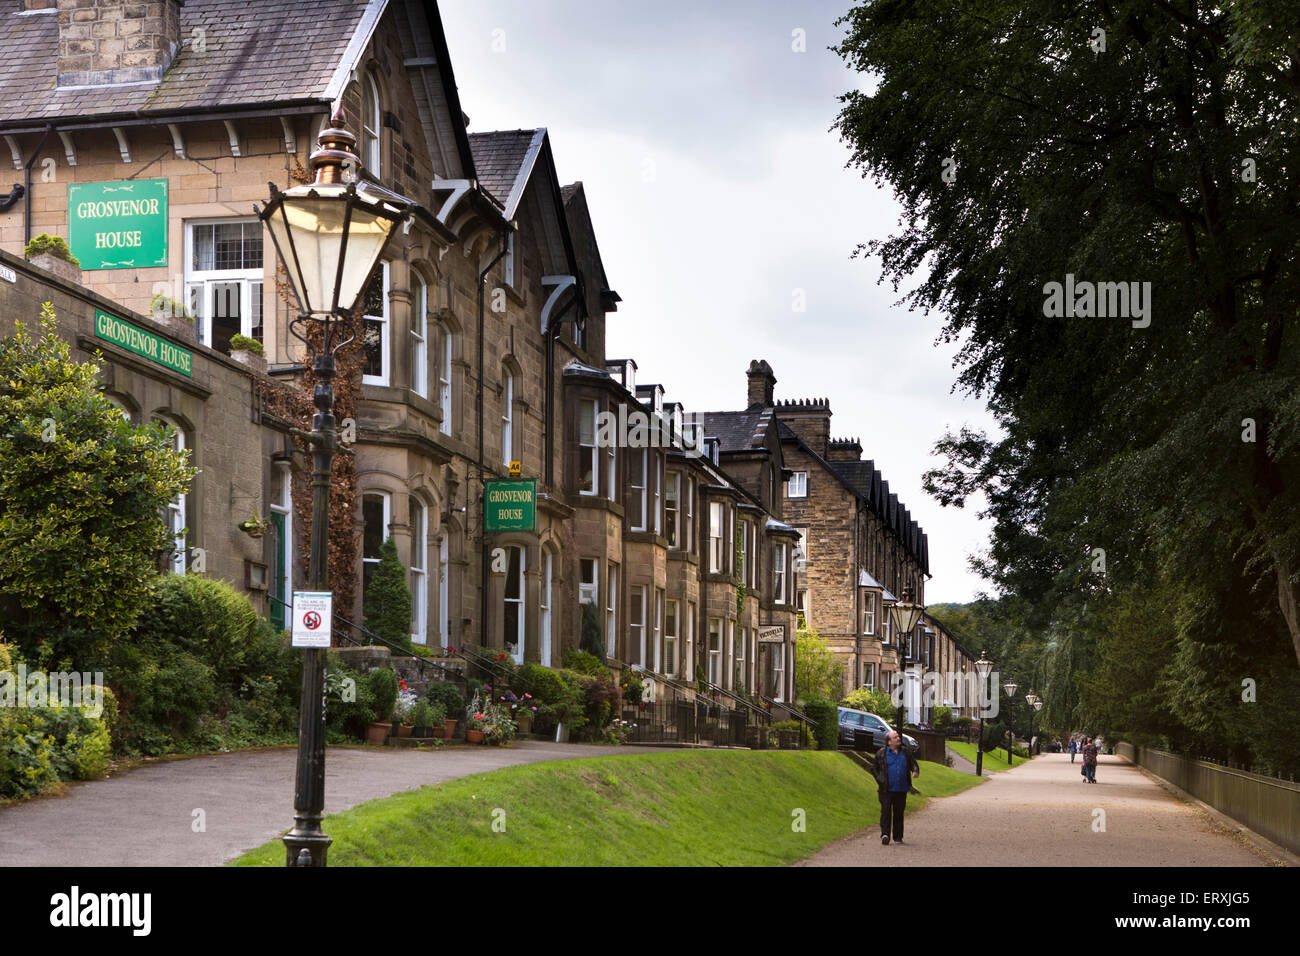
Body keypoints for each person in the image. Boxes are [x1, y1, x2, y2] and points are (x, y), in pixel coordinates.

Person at [874, 730, 920, 845]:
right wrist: (880, 779)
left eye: (898, 737)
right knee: (886, 812)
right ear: (889, 742)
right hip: (886, 789)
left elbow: (913, 764)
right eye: (895, 737)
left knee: (899, 813)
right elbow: (874, 769)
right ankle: (885, 834)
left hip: (901, 789)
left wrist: (915, 771)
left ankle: (898, 837)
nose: (898, 739)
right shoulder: (881, 753)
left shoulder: (905, 752)